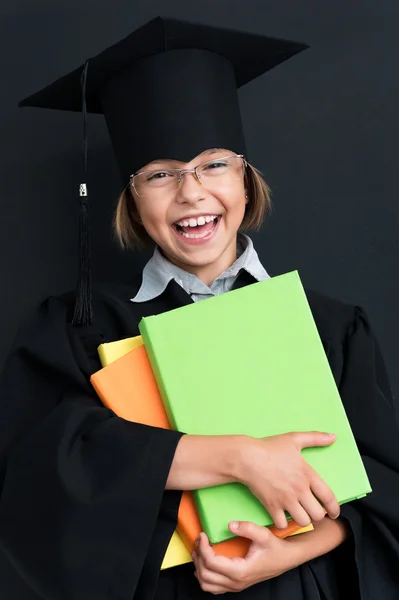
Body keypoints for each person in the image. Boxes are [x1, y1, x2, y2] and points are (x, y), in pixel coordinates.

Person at [0, 16, 398, 600]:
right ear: (132, 199)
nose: (191, 193)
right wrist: (237, 458)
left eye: (214, 164)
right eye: (159, 175)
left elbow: (385, 487)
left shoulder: (331, 326)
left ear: (245, 180)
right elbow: (38, 475)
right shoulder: (82, 327)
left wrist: (298, 547)